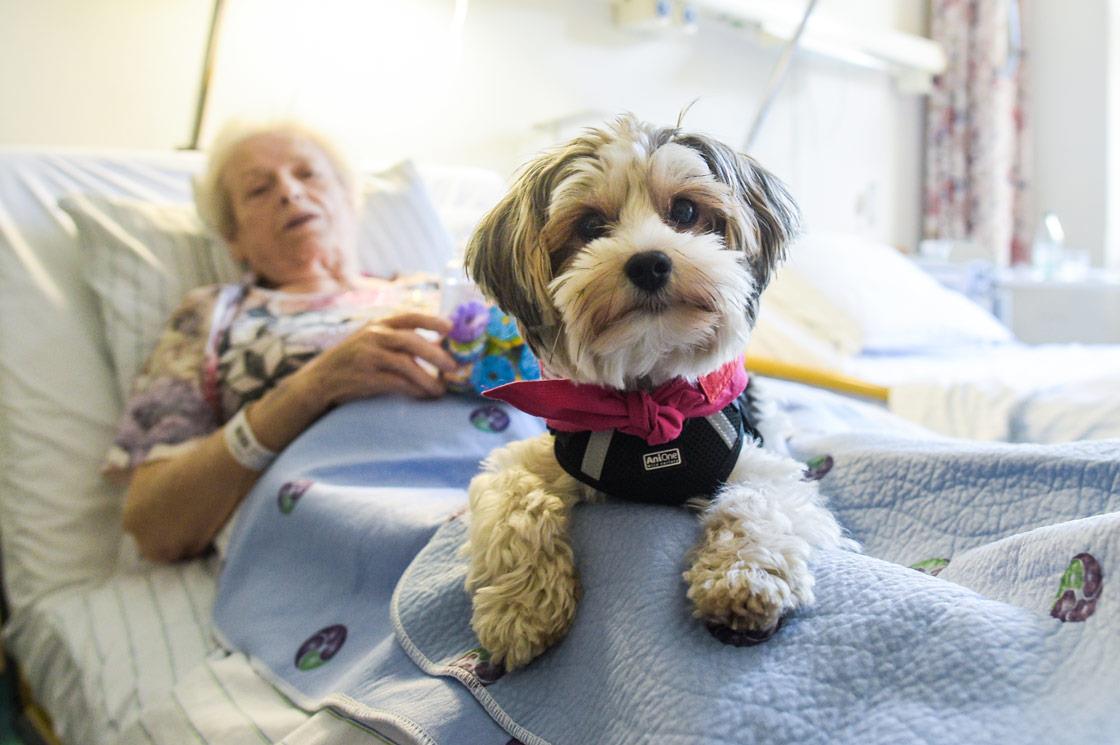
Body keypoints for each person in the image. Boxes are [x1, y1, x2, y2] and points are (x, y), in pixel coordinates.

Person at [107, 121, 459, 563]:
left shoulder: (443, 293)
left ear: (350, 199)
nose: (290, 193)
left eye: (308, 174)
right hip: (361, 531)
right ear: (234, 239)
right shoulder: (212, 317)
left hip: (497, 485)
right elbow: (155, 527)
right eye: (258, 189)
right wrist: (311, 387)